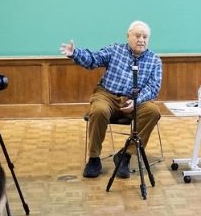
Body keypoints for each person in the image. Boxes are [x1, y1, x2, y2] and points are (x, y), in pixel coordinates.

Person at [62, 21, 164, 180]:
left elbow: (153, 88)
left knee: (153, 111)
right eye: (137, 36)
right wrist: (75, 53)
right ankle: (94, 159)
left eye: (145, 37)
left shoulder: (154, 60)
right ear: (128, 36)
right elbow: (93, 59)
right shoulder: (115, 50)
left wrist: (137, 101)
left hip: (135, 99)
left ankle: (125, 156)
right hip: (107, 95)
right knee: (99, 110)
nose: (141, 40)